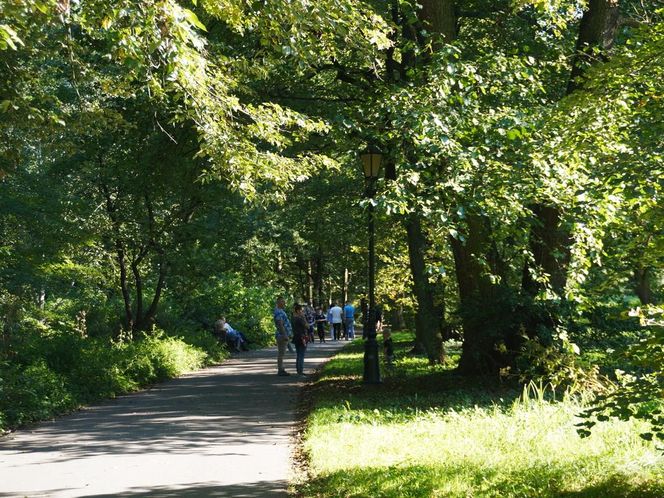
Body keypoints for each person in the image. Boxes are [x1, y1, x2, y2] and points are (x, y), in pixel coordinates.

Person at [273, 296, 292, 376]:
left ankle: (281, 369)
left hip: (283, 334)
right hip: (281, 335)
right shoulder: (279, 312)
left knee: (282, 353)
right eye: (282, 302)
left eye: (284, 301)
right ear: (278, 303)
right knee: (281, 353)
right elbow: (280, 324)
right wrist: (284, 334)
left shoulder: (280, 311)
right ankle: (280, 370)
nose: (284, 303)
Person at [292, 303, 309, 375]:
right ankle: (300, 371)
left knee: (298, 354)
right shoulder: (300, 319)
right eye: (302, 310)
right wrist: (304, 318)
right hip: (302, 337)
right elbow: (307, 326)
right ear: (298, 311)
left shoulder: (293, 318)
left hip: (296, 337)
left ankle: (298, 370)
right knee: (301, 355)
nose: (303, 312)